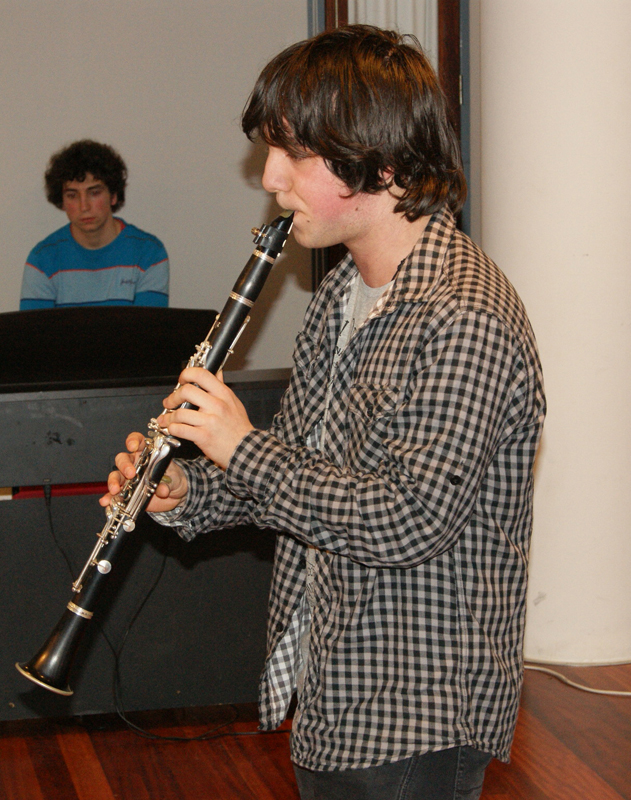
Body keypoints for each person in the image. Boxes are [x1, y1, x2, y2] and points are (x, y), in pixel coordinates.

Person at [102, 25, 545, 799]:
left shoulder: (462, 316)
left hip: (417, 707)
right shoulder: (342, 290)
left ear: (385, 164)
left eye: (296, 153)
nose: (271, 177)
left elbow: (406, 519)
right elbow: (301, 470)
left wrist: (241, 447)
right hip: (333, 681)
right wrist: (186, 492)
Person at [20, 140, 169, 309]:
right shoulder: (42, 260)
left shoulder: (149, 254)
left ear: (113, 195)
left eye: (94, 193)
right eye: (72, 195)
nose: (84, 206)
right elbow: (36, 327)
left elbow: (148, 325)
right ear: (62, 202)